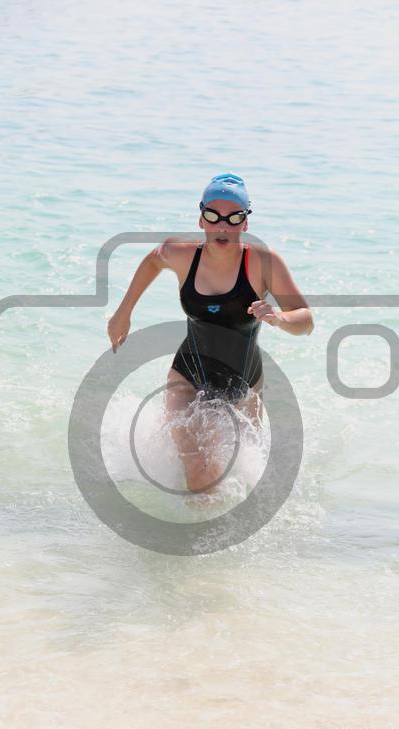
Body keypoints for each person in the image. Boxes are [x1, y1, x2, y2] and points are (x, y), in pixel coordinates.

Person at [107, 173, 314, 494]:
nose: (223, 227)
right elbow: (153, 261)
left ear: (246, 223)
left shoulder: (263, 262)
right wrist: (124, 312)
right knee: (197, 469)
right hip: (187, 375)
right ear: (201, 218)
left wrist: (279, 318)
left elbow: (306, 321)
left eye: (234, 218)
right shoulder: (182, 253)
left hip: (244, 387)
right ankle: (192, 521)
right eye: (214, 216)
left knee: (248, 480)